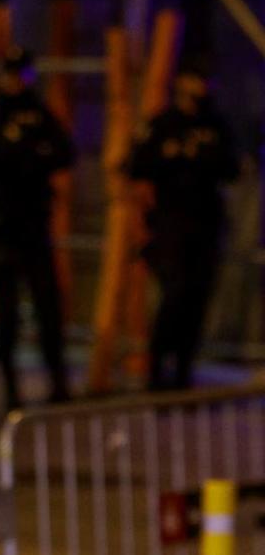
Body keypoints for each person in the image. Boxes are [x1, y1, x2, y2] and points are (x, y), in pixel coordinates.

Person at [128, 61, 238, 390]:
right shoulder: (162, 124)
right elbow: (138, 169)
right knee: (173, 296)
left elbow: (230, 168)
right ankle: (156, 370)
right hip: (170, 225)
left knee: (196, 299)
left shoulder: (215, 124)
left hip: (205, 224)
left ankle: (182, 374)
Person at [0, 46, 72, 409]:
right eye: (11, 73)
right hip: (4, 225)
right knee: (8, 312)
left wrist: (28, 150)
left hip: (35, 224)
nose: (17, 80)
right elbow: (1, 155)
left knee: (47, 304)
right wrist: (34, 152)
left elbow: (64, 152)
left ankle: (58, 381)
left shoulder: (40, 112)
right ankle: (10, 389)